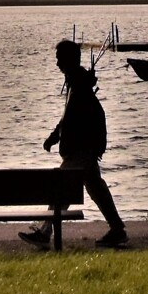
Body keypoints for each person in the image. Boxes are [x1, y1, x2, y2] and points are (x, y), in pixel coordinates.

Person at [19, 39, 128, 249]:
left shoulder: (78, 86)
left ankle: (44, 232)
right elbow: (71, 119)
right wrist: (55, 137)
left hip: (79, 151)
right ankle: (117, 229)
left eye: (59, 59)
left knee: (61, 189)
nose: (57, 63)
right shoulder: (79, 83)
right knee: (96, 190)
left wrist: (55, 138)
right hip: (86, 150)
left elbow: (69, 120)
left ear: (69, 60)